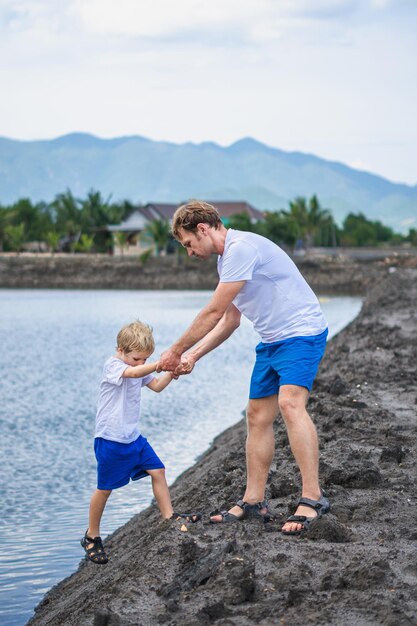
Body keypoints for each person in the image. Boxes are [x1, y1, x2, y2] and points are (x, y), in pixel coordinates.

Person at [158, 201, 330, 535]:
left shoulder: (241, 249)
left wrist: (175, 350)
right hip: (272, 340)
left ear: (203, 229)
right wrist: (192, 356)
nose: (190, 252)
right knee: (256, 415)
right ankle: (254, 501)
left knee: (290, 403)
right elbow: (229, 321)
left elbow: (211, 312)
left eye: (188, 243)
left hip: (301, 333)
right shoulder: (227, 261)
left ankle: (313, 498)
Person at [81, 320, 200, 565]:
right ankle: (92, 536)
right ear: (121, 349)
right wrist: (159, 364)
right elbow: (133, 373)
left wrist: (171, 371)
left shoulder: (139, 367)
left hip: (133, 437)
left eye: (146, 359)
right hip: (111, 439)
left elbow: (155, 386)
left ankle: (169, 516)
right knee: (105, 489)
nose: (141, 364)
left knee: (158, 470)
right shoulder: (113, 366)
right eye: (137, 358)